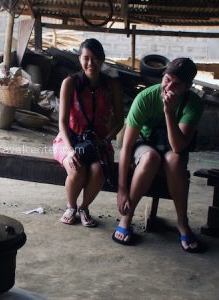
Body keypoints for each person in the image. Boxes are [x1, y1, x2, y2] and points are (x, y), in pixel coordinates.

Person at [113, 57, 204, 252]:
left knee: (176, 160)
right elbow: (127, 147)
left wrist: (169, 112)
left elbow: (179, 147)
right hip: (145, 145)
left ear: (187, 87)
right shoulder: (145, 98)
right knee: (150, 158)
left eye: (177, 84)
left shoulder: (193, 104)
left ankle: (182, 222)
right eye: (167, 79)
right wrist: (122, 189)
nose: (169, 87)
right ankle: (126, 218)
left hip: (172, 147)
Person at [53, 38, 123, 226]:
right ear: (80, 59)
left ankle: (84, 207)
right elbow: (62, 122)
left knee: (98, 171)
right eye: (86, 58)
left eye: (95, 58)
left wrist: (105, 140)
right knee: (77, 168)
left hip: (98, 141)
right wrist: (70, 150)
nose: (90, 63)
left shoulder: (112, 85)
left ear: (102, 60)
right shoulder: (70, 83)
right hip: (69, 139)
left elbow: (119, 121)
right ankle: (71, 206)